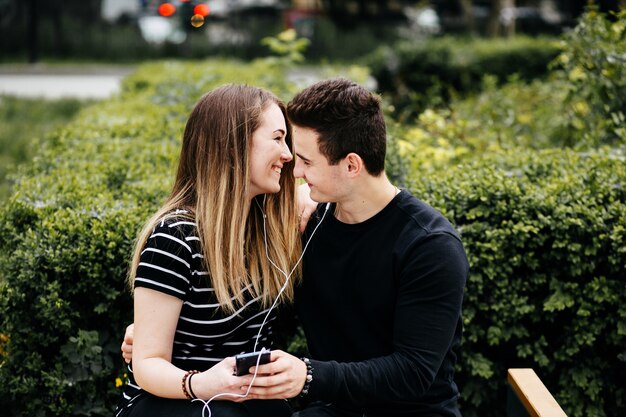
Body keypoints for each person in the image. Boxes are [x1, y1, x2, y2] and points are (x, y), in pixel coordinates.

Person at [123, 78, 469, 417]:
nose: (292, 165)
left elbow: (413, 373)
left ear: (351, 165)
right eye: (283, 142)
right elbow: (257, 312)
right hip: (312, 408)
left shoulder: (429, 245)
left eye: (305, 159)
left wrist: (307, 375)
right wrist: (154, 338)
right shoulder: (303, 226)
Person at [115, 84, 311, 417]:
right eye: (277, 139)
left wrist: (309, 196)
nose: (288, 155)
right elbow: (146, 364)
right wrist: (203, 384)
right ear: (234, 146)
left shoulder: (266, 223)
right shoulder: (175, 237)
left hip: (247, 402)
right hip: (174, 402)